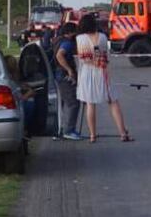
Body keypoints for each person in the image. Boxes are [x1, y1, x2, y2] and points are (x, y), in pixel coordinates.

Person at [76, 13, 132, 144]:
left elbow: (82, 58)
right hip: (102, 71)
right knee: (113, 101)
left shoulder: (80, 38)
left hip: (87, 72)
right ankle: (123, 133)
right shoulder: (102, 37)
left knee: (90, 103)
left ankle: (92, 135)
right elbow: (105, 55)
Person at [53, 22, 84, 140]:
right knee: (73, 103)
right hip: (64, 75)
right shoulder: (67, 43)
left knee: (62, 104)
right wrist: (69, 70)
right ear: (70, 32)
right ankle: (69, 131)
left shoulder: (57, 40)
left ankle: (58, 131)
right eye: (74, 32)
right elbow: (59, 56)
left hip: (58, 75)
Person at [4, 55, 37, 127]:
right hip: (17, 103)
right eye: (15, 63)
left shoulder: (12, 77)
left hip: (18, 100)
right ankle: (25, 127)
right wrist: (28, 94)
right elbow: (17, 99)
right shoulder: (8, 79)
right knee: (30, 102)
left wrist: (21, 86)